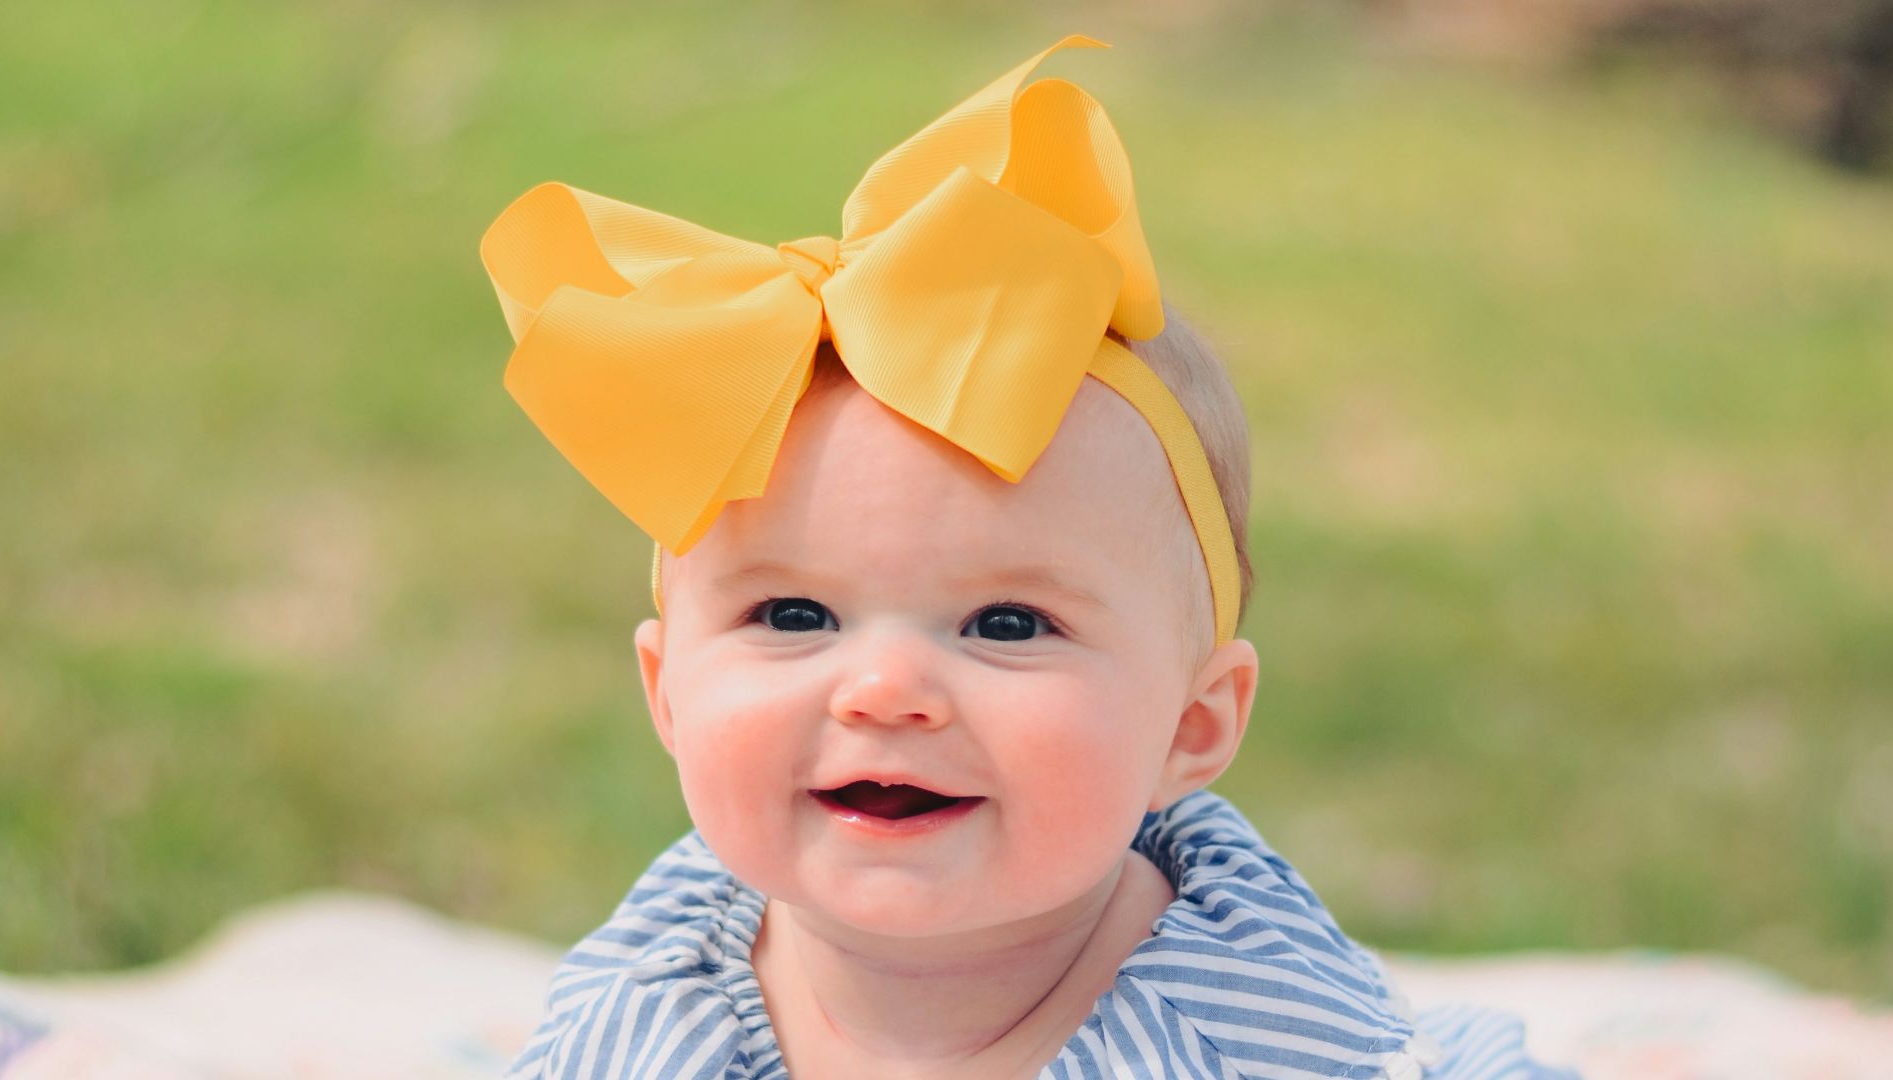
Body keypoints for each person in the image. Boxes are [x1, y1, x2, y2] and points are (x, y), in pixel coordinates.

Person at [480, 34, 1575, 1080]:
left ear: (1191, 728)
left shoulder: (1250, 1042)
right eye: (793, 616)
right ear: (668, 692)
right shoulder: (659, 988)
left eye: (1006, 624)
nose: (885, 691)